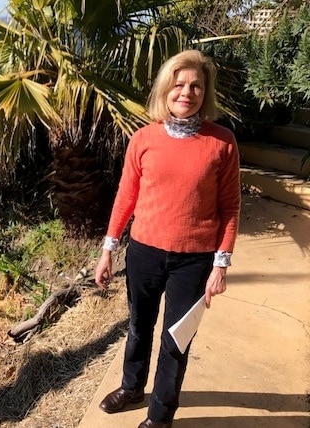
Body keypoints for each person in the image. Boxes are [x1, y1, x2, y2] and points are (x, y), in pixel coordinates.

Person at [94, 49, 241, 428]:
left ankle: (160, 416)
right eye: (178, 84)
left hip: (195, 260)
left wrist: (220, 266)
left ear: (204, 92)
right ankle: (131, 388)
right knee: (139, 326)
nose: (186, 93)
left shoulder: (222, 143)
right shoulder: (143, 139)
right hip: (144, 251)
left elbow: (230, 209)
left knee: (177, 341)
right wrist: (108, 250)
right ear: (165, 89)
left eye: (195, 86)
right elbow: (126, 197)